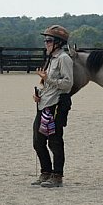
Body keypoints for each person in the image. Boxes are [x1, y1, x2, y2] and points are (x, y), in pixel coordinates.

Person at [31, 25, 73, 188]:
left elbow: (68, 84)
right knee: (38, 142)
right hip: (43, 103)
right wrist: (38, 93)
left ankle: (57, 176)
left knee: (55, 142)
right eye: (45, 40)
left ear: (58, 43)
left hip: (55, 106)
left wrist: (48, 79)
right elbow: (45, 82)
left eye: (49, 40)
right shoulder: (50, 59)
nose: (46, 43)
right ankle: (46, 172)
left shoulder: (64, 59)